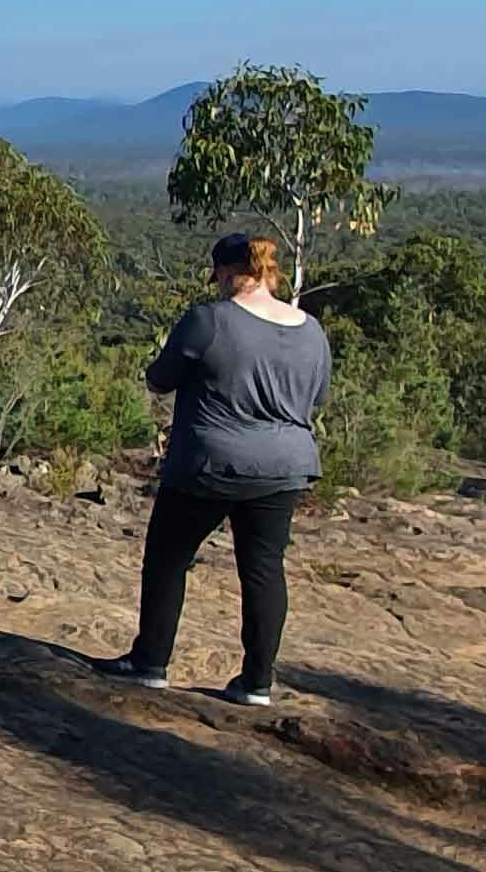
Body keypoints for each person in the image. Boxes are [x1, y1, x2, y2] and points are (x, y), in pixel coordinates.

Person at [98, 231, 335, 707]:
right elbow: (318, 399)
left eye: (220, 276)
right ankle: (257, 683)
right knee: (264, 568)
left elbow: (160, 379)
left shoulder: (209, 321)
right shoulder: (311, 329)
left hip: (210, 463)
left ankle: (151, 663)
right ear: (268, 273)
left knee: (168, 558)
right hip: (285, 466)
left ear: (227, 274)